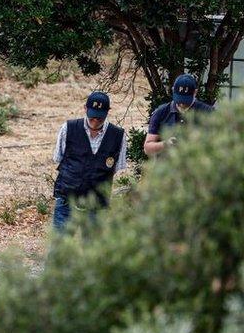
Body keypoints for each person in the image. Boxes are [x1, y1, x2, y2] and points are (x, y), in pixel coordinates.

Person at [51, 91, 127, 232]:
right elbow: (59, 158)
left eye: (100, 118)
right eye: (92, 117)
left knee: (92, 251)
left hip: (97, 207)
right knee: (59, 250)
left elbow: (115, 168)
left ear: (107, 112)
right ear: (85, 109)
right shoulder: (67, 128)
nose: (95, 121)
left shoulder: (118, 136)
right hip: (67, 202)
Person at [143, 74, 214, 156]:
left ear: (195, 92)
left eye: (185, 99)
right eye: (179, 98)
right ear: (173, 90)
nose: (181, 103)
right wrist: (166, 144)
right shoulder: (161, 112)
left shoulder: (208, 112)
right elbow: (147, 149)